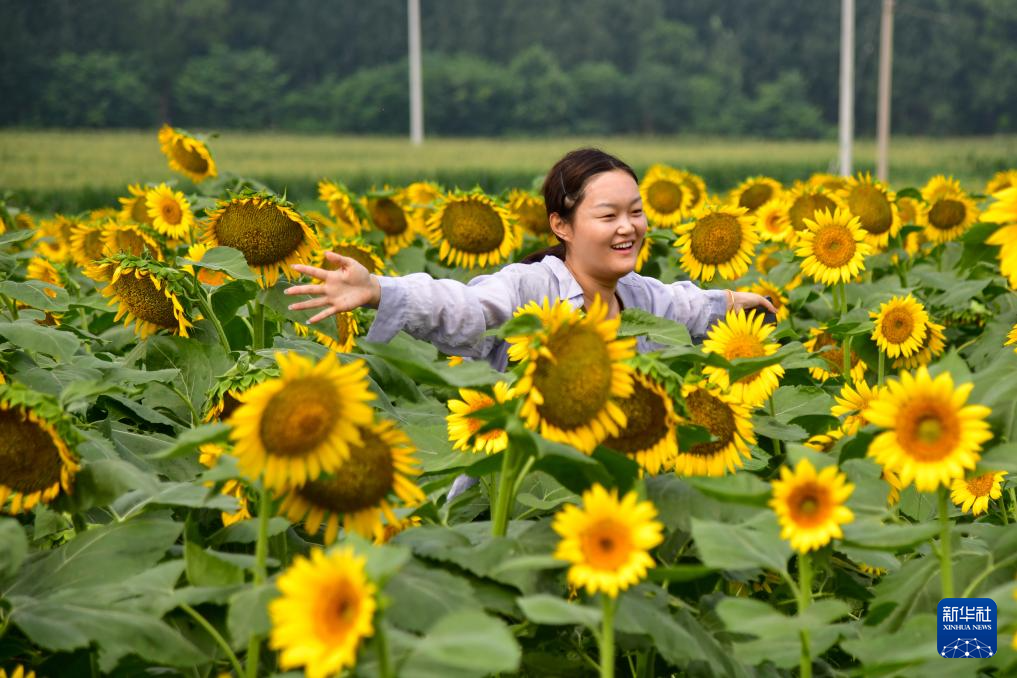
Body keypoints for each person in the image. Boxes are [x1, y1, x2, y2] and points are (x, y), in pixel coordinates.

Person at [285, 148, 776, 369]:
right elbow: (465, 309)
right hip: (528, 497)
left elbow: (689, 308)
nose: (628, 227)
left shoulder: (640, 296)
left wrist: (738, 301)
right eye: (608, 215)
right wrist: (379, 290)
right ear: (561, 226)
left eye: (636, 212)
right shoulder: (529, 290)